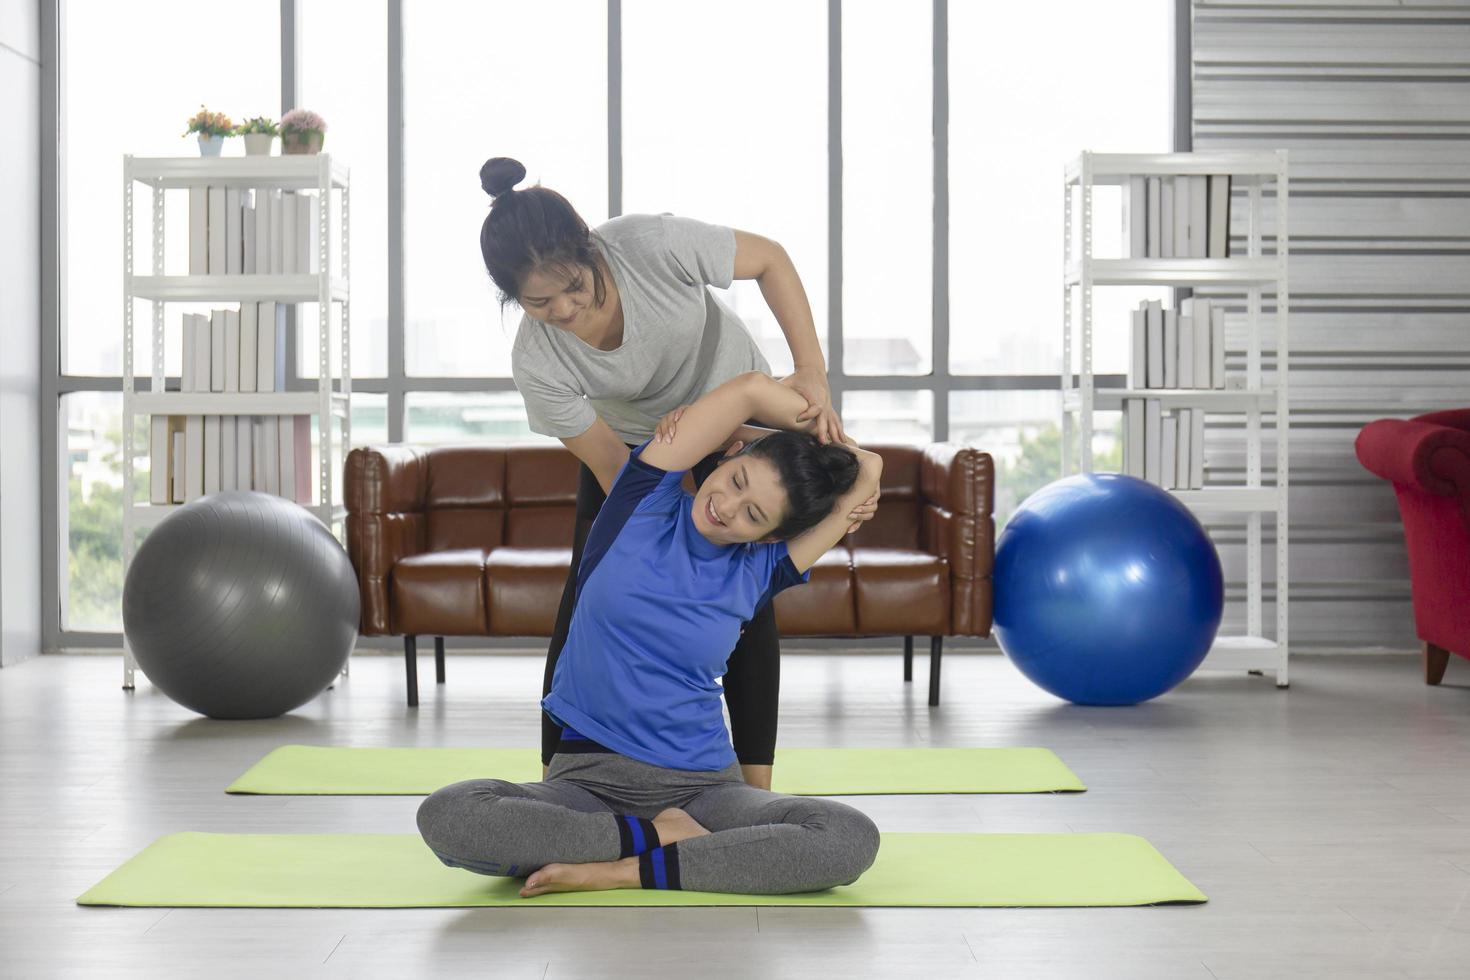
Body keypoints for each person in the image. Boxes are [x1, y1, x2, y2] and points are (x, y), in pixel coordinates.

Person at [478, 157, 876, 790]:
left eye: (575, 286)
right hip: (643, 454)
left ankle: (752, 792)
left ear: (591, 247)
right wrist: (679, 504)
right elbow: (615, 470)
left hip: (744, 429)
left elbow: (770, 259)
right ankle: (561, 784)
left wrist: (811, 374)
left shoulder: (649, 245)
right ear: (513, 299)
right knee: (588, 599)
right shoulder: (537, 360)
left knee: (742, 598)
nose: (566, 309)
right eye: (538, 301)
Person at [417, 371, 884, 896]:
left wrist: (777, 447)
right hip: (585, 781)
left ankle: (620, 865)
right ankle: (665, 841)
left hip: (703, 787)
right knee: (450, 815)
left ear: (771, 535)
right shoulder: (640, 503)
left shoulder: (762, 569)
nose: (726, 508)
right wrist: (754, 436)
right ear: (725, 459)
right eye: (736, 481)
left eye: (753, 514)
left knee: (847, 837)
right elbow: (749, 390)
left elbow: (868, 466)